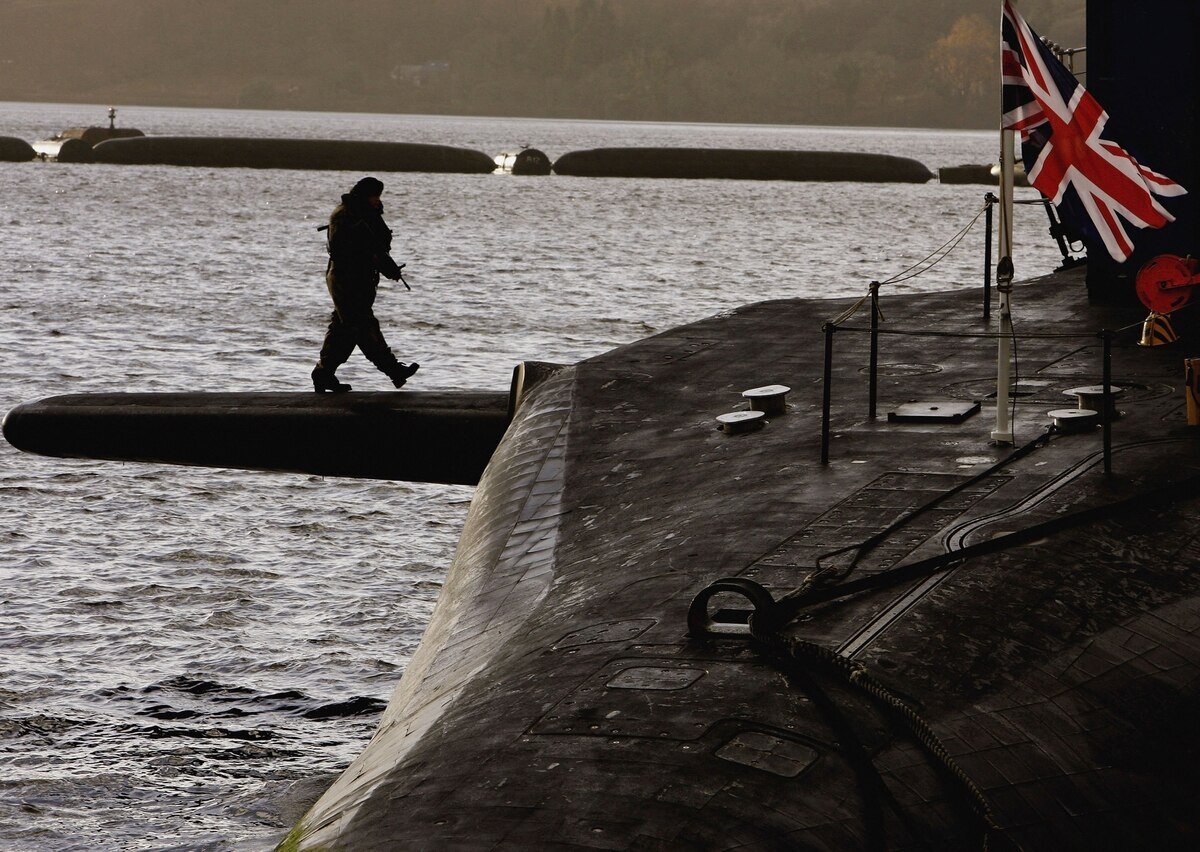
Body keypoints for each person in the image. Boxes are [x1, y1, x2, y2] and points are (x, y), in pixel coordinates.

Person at [311, 176, 420, 392]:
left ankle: (323, 374)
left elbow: (375, 246)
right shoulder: (347, 216)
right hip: (347, 280)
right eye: (375, 197)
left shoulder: (359, 213)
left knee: (344, 329)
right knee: (363, 326)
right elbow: (362, 250)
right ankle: (393, 370)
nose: (377, 201)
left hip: (355, 280)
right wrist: (384, 265)